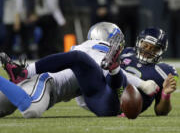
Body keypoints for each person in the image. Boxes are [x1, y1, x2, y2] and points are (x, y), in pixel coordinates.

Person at [0, 22, 158, 118]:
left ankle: (23, 73)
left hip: (46, 84)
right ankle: (23, 72)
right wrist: (143, 84)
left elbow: (82, 100)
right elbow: (99, 66)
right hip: (44, 81)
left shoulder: (84, 47)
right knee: (31, 110)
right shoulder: (97, 50)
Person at [76, 27, 178, 116]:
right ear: (139, 42)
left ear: (161, 51)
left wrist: (166, 94)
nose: (148, 51)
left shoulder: (164, 72)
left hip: (125, 107)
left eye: (154, 49)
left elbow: (161, 112)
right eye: (145, 45)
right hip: (101, 95)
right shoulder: (126, 52)